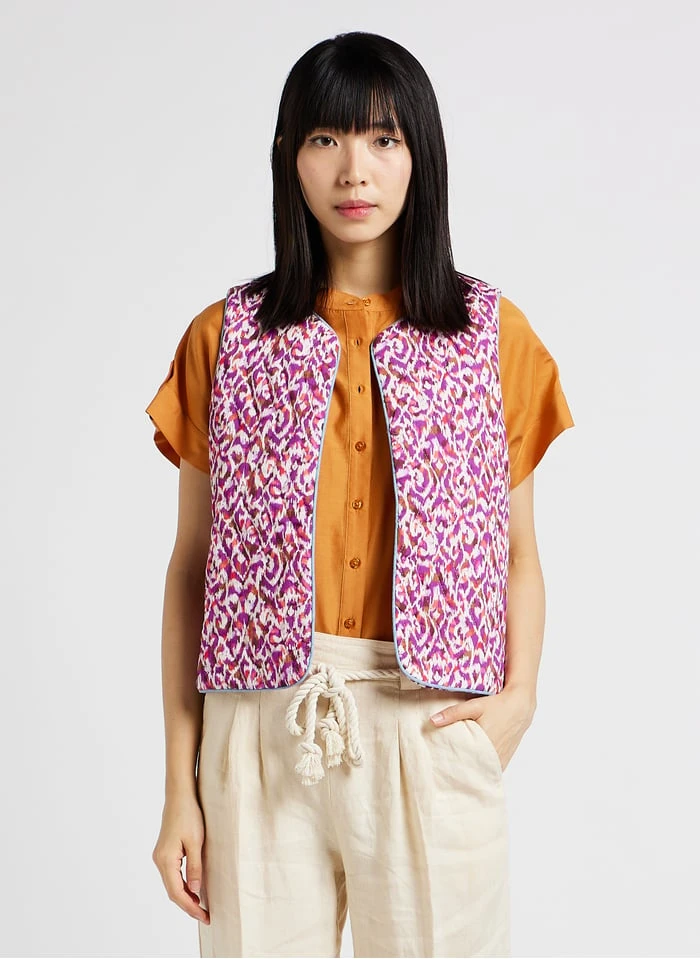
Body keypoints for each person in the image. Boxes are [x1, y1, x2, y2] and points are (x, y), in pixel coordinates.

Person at [146, 30, 575, 959]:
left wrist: (519, 700)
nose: (355, 169)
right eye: (325, 138)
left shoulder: (493, 337)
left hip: (430, 720)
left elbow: (519, 553)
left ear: (422, 156)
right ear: (289, 156)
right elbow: (191, 568)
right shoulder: (224, 339)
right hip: (258, 727)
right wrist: (181, 784)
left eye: (384, 139)